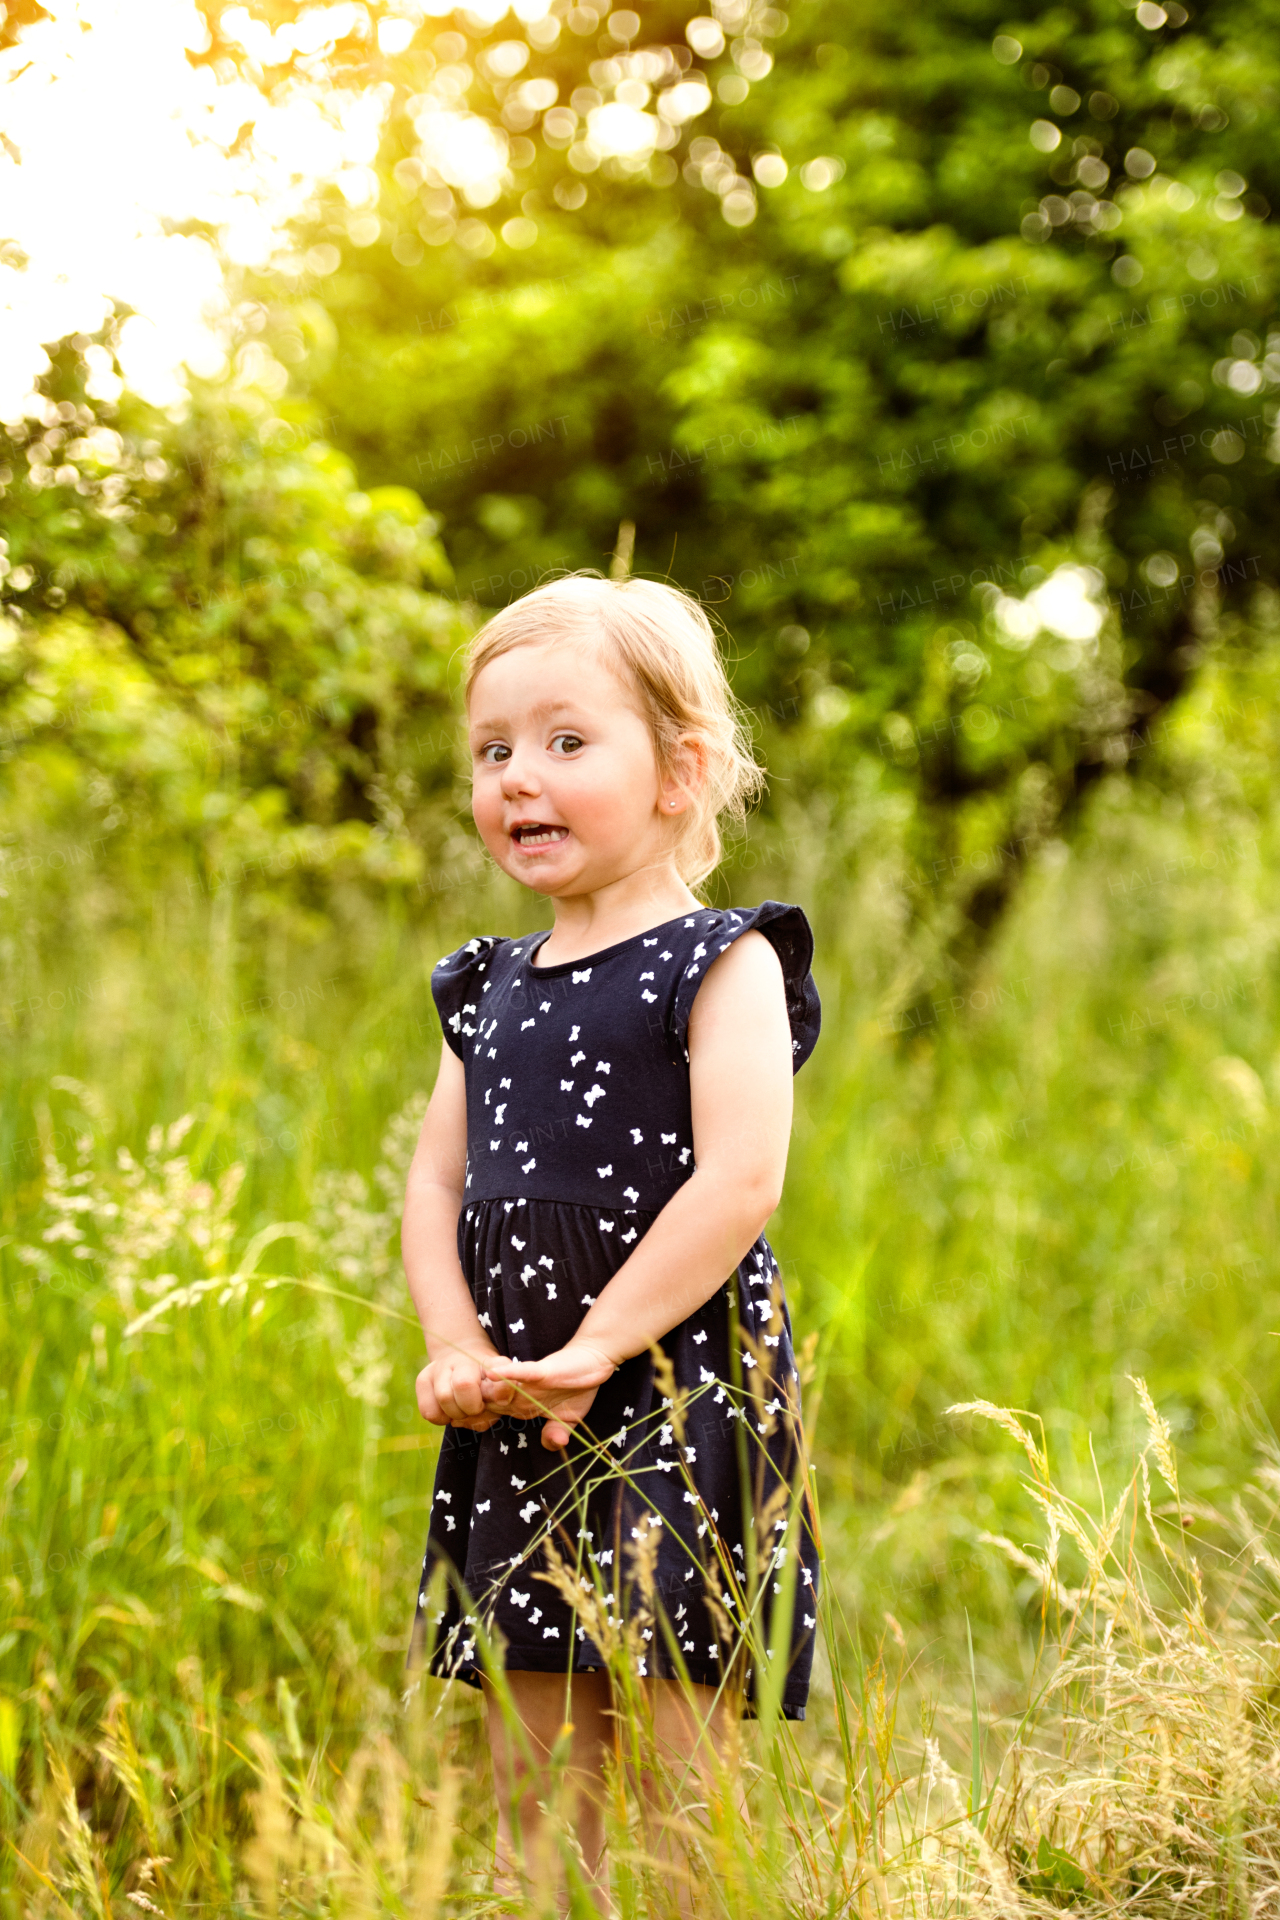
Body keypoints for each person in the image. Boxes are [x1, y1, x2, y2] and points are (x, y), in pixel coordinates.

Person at [401, 572, 821, 1912]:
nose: (521, 776)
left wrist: (601, 1343)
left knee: (676, 1753)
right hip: (526, 1397)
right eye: (494, 749)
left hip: (677, 1388)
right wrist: (455, 1343)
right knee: (530, 1755)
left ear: (681, 769)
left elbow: (741, 1181)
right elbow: (433, 1178)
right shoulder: (489, 986)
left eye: (567, 742)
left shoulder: (721, 960)